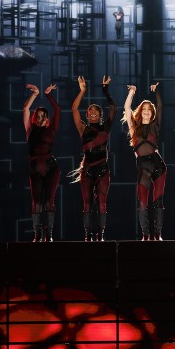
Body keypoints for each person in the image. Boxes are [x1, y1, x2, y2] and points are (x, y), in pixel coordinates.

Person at [69, 75, 116, 241]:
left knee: (102, 203)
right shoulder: (83, 128)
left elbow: (113, 109)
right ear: (88, 115)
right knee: (87, 204)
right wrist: (82, 91)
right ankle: (88, 236)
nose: (93, 111)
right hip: (88, 171)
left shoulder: (105, 127)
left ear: (100, 115)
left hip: (103, 170)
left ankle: (100, 235)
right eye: (90, 110)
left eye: (96, 110)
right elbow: (74, 109)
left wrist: (105, 90)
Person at [123, 82, 167, 240]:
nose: (147, 111)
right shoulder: (133, 127)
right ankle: (145, 234)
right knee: (142, 202)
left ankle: (158, 234)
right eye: (145, 109)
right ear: (140, 112)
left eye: (149, 109)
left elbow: (160, 107)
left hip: (158, 164)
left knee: (158, 201)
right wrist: (132, 92)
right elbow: (127, 108)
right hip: (143, 166)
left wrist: (156, 92)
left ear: (152, 112)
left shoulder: (156, 126)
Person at [22, 83, 61, 242]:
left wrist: (48, 95)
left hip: (51, 166)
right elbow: (25, 109)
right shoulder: (30, 130)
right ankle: (38, 235)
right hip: (35, 167)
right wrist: (35, 94)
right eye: (37, 116)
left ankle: (49, 235)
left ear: (47, 119)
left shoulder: (51, 129)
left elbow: (57, 110)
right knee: (36, 201)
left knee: (48, 201)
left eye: (43, 116)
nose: (39, 119)